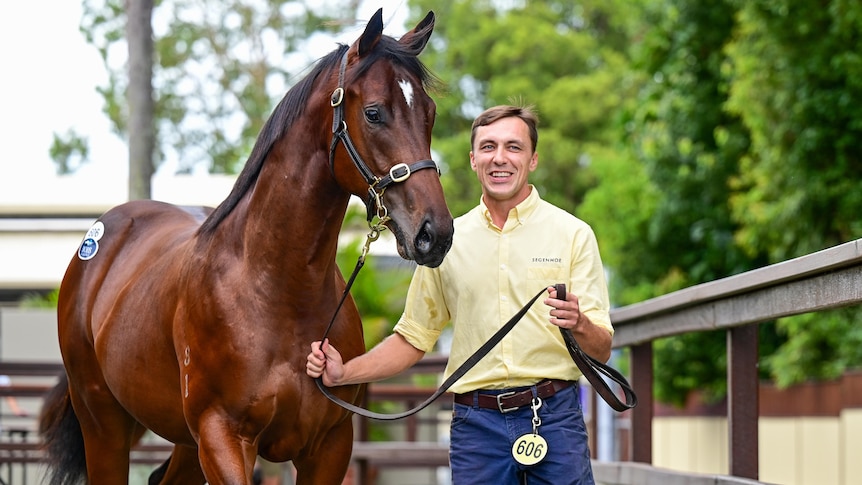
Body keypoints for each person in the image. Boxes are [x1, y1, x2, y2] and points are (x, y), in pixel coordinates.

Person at [307, 104, 613, 485]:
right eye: (488, 147)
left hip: (553, 417)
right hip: (476, 425)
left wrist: (580, 323)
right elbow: (412, 338)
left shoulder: (573, 234)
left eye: (513, 147)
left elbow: (601, 349)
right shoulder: (447, 241)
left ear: (533, 159)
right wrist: (344, 373)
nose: (499, 158)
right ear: (473, 159)